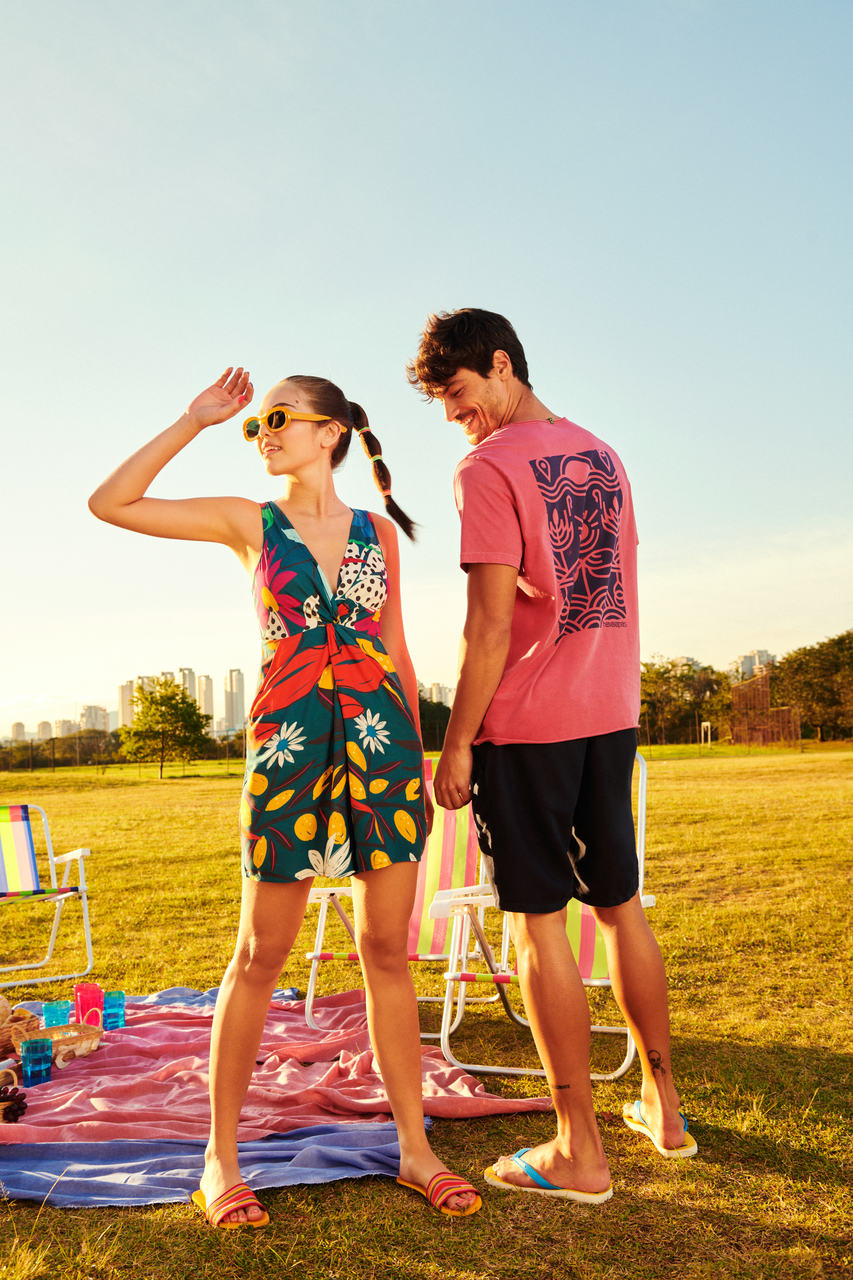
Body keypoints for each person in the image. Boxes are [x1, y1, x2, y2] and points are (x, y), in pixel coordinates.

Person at [89, 366, 481, 1225]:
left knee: (386, 951)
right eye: (254, 425)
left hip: (380, 750)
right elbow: (110, 503)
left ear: (330, 431)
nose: (262, 433)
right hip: (289, 752)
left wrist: (419, 755)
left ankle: (414, 1148)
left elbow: (397, 653)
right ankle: (219, 1160)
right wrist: (193, 421)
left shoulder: (376, 533)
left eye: (277, 419)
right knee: (259, 956)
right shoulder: (248, 522)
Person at [406, 309, 696, 1204]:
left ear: (500, 365)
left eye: (457, 394)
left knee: (539, 924)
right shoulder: (603, 453)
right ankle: (664, 1109)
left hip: (529, 724)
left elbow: (489, 624)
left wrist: (456, 742)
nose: (455, 416)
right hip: (610, 712)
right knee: (619, 907)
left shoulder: (486, 468)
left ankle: (579, 1150)